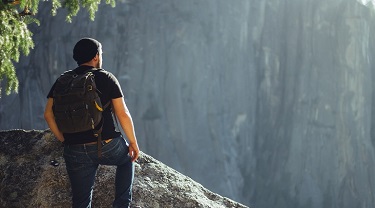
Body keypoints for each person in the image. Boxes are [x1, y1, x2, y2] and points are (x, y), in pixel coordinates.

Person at [44, 37, 140, 208]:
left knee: (81, 202)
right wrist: (132, 143)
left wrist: (64, 140)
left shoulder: (63, 80)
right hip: (106, 144)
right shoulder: (106, 77)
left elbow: (48, 114)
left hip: (74, 149)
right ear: (96, 56)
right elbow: (123, 114)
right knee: (127, 161)